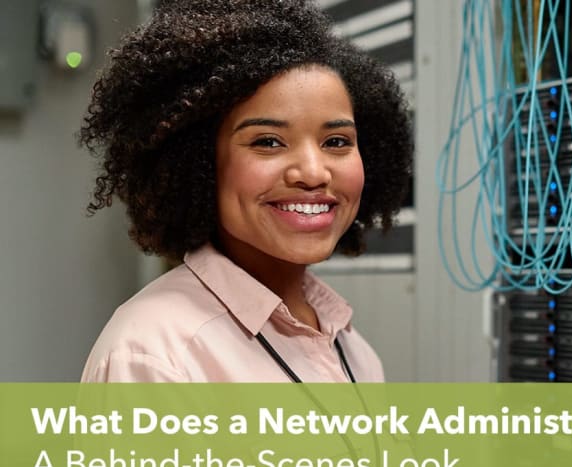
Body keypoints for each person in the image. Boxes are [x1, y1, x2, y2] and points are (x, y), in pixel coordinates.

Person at [78, 0, 412, 382]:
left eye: (336, 141)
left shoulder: (356, 354)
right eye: (269, 142)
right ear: (200, 163)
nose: (314, 172)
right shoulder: (154, 354)